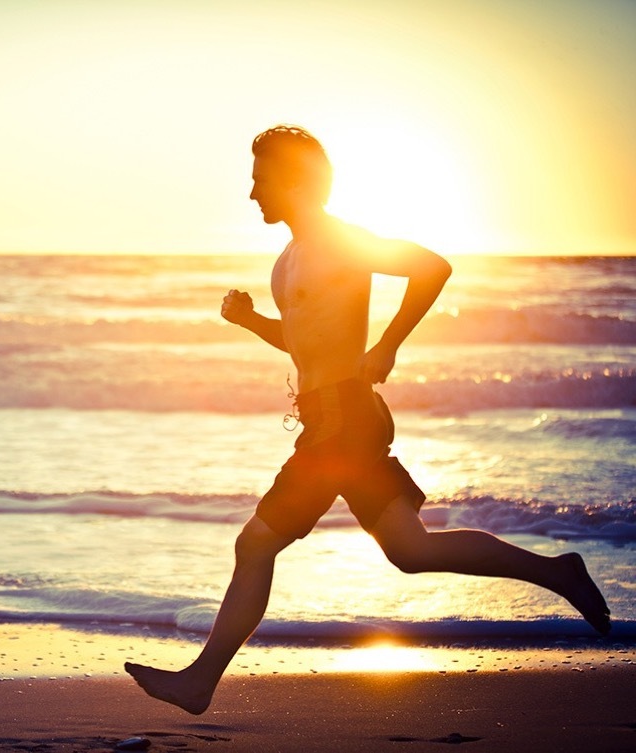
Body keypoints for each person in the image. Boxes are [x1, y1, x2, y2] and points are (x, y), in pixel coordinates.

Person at [124, 125, 611, 715]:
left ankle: (200, 681)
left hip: (342, 423)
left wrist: (388, 344)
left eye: (260, 179)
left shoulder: (339, 241)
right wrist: (252, 322)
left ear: (293, 179)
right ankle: (558, 572)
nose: (252, 193)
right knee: (410, 549)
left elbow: (432, 267)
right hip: (337, 418)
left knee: (255, 544)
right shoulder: (289, 260)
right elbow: (306, 346)